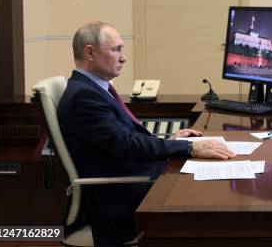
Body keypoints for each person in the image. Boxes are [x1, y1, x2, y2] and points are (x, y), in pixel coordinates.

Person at [57, 21, 236, 246]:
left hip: (135, 179)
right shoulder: (84, 97)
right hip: (121, 197)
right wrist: (189, 147)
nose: (123, 57)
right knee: (208, 203)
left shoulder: (92, 89)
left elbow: (124, 139)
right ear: (90, 52)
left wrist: (172, 141)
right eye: (115, 50)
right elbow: (127, 146)